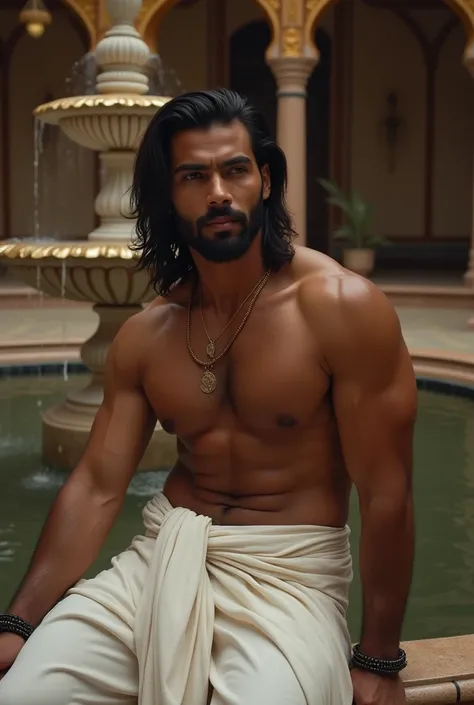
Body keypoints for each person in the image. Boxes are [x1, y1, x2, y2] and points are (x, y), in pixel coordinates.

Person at [0, 88, 416, 705]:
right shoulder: (148, 334)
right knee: (26, 692)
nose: (218, 190)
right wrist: (17, 623)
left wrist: (379, 656)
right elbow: (97, 483)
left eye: (235, 169)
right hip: (161, 560)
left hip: (289, 579)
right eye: (194, 176)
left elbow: (386, 493)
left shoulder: (339, 308)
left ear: (265, 181)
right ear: (170, 196)